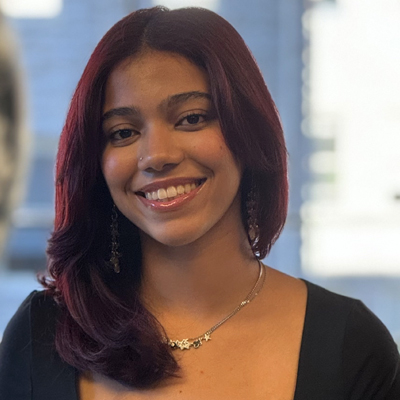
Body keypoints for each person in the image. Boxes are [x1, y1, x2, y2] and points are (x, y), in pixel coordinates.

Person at [0, 6, 399, 400]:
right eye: (123, 132)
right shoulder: (40, 334)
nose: (156, 155)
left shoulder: (352, 346)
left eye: (191, 118)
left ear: (248, 130)